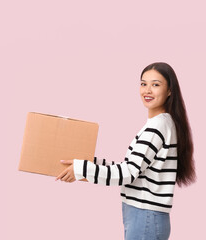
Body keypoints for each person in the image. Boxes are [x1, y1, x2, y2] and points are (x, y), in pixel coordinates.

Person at [55, 62, 196, 240]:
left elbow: (127, 173)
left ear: (169, 91)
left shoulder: (158, 126)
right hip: (145, 216)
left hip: (145, 217)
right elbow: (132, 168)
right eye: (143, 84)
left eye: (155, 84)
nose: (147, 90)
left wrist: (82, 169)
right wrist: (89, 162)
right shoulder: (161, 124)